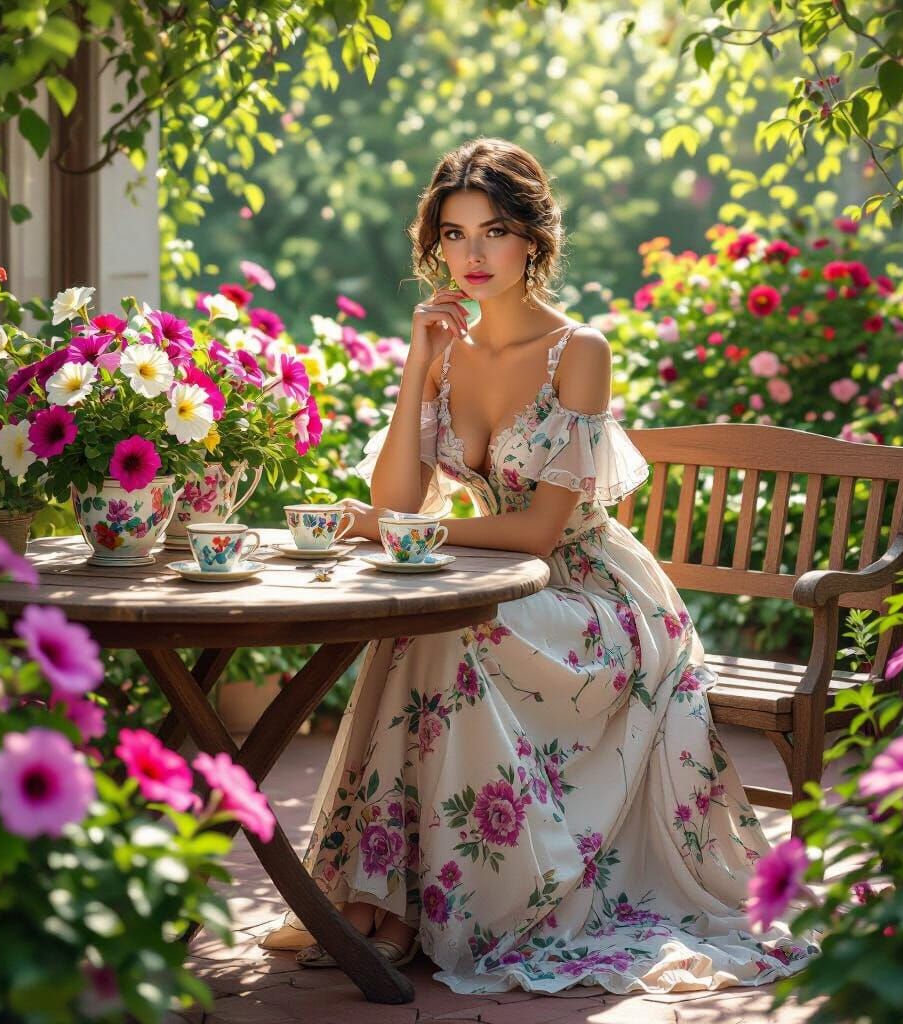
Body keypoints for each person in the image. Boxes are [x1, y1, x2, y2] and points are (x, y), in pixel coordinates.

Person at [260, 137, 816, 994]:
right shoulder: (451, 346)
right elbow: (397, 493)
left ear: (533, 240)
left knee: (446, 632)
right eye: (453, 235)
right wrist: (420, 361)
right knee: (423, 630)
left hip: (597, 601)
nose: (472, 254)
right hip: (500, 580)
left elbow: (543, 532)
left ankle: (448, 904)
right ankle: (389, 892)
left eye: (493, 232)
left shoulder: (577, 351)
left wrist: (409, 532)